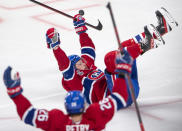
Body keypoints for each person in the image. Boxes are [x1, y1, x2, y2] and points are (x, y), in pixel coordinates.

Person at [45, 7, 178, 107]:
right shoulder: (74, 82)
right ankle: (146, 44)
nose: (83, 63)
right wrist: (56, 47)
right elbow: (64, 65)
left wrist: (81, 30)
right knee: (109, 58)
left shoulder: (89, 66)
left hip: (128, 85)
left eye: (81, 61)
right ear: (74, 70)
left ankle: (162, 29)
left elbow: (88, 49)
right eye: (79, 64)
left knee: (123, 48)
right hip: (117, 96)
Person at [3, 48, 133, 130]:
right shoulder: (95, 115)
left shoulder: (58, 122)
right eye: (79, 63)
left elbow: (28, 115)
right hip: (108, 90)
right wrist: (123, 71)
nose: (83, 63)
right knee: (115, 56)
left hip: (106, 87)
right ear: (83, 106)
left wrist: (15, 94)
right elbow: (119, 97)